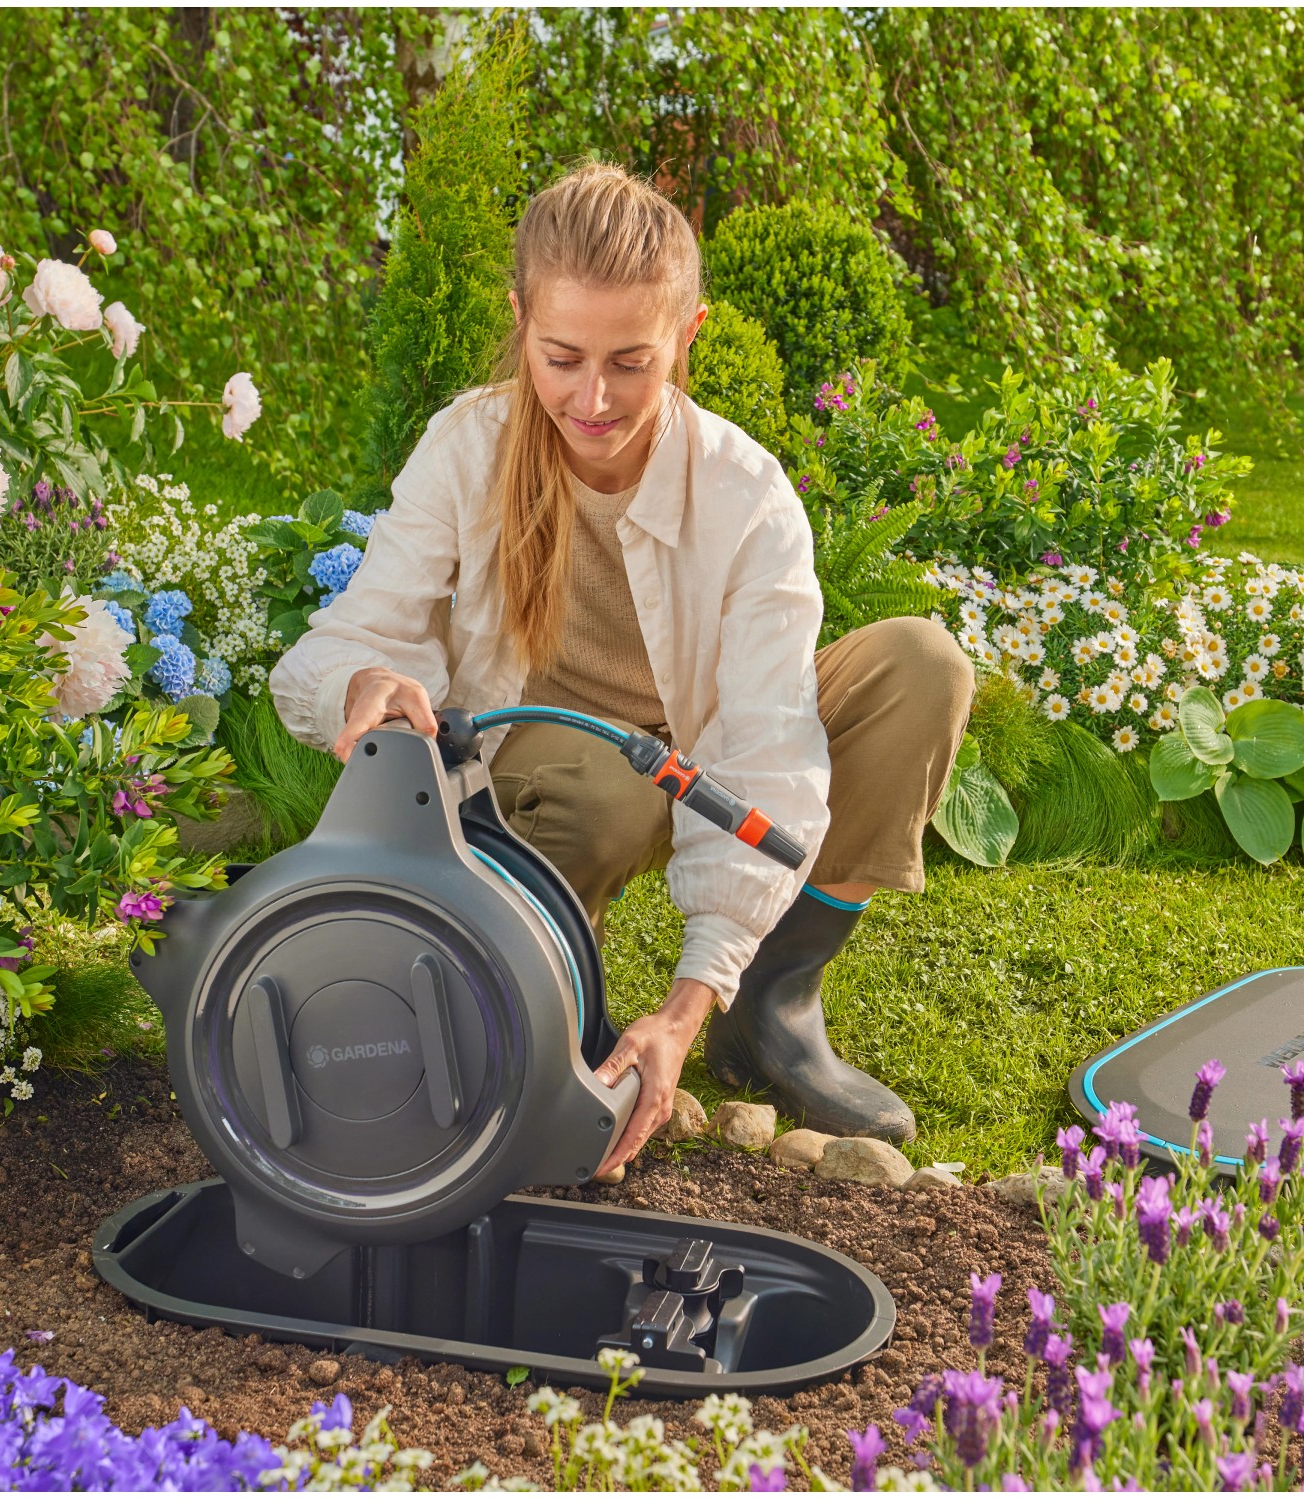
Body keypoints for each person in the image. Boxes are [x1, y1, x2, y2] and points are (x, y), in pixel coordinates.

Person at [270, 162, 974, 1179]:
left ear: (686, 338)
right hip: (537, 763)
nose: (591, 399)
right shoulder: (466, 449)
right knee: (605, 789)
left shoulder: (746, 496)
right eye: (560, 357)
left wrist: (693, 1000)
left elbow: (767, 745)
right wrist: (363, 685)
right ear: (520, 322)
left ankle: (772, 1010)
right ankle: (554, 1007)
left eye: (631, 363)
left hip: (695, 740)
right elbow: (356, 633)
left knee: (920, 667)